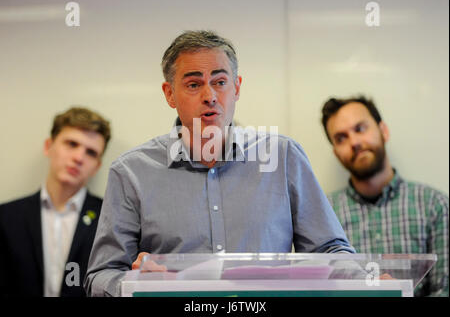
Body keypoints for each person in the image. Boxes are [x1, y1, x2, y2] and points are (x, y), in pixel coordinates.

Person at [84, 30, 354, 297]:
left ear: (236, 87)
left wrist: (373, 280)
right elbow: (101, 275)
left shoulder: (283, 157)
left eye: (220, 82)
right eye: (193, 84)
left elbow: (329, 251)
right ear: (169, 94)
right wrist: (136, 285)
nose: (210, 96)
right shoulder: (131, 172)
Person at [321, 95, 449, 297]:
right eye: (341, 138)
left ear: (384, 131)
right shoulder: (324, 215)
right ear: (336, 152)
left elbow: (445, 290)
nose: (354, 142)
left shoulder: (435, 206)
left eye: (360, 128)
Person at [0, 107, 111, 297]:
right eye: (71, 144)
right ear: (48, 146)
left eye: (91, 153)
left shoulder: (111, 219)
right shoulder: (6, 217)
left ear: (97, 167)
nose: (78, 158)